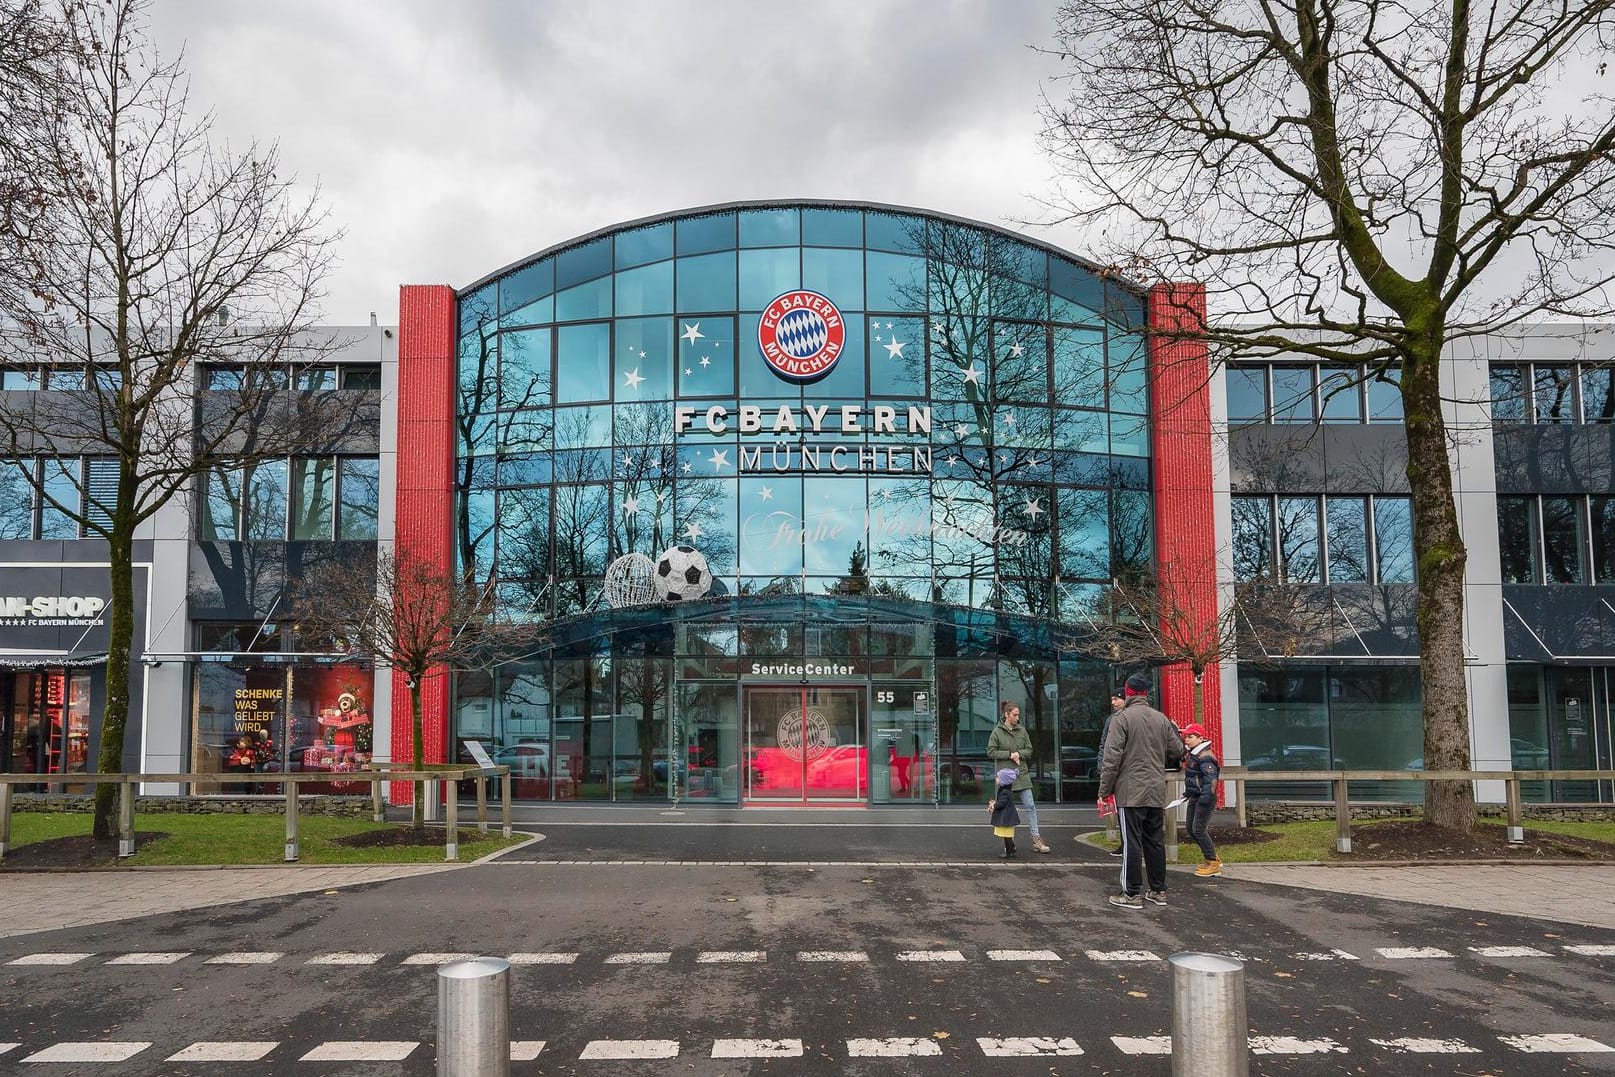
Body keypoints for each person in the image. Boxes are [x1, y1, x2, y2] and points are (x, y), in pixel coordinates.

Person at [1098, 672, 1185, 910]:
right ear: (1146, 693)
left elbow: (1111, 758)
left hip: (1130, 791)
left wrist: (1104, 790)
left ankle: (1131, 893)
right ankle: (1158, 890)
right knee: (1155, 841)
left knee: (1132, 842)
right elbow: (1177, 750)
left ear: (1128, 693)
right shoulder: (1161, 718)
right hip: (1156, 790)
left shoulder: (1122, 719)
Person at [987, 701, 1050, 854]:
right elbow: (990, 751)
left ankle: (1036, 839)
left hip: (1021, 774)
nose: (1017, 718)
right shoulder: (997, 732)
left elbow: (1029, 750)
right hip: (1005, 778)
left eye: (1018, 715)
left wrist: (1019, 754)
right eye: (1014, 715)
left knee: (1030, 806)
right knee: (1004, 809)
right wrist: (1009, 754)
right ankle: (1009, 845)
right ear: (1006, 715)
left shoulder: (1022, 731)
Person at [1181, 723, 1222, 877]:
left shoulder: (1205, 757)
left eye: (1190, 737)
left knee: (1198, 830)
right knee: (1191, 829)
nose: (1186, 740)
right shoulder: (1194, 755)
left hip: (1204, 799)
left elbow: (1211, 781)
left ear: (1200, 738)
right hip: (1195, 796)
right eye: (1186, 736)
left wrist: (1205, 799)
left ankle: (1213, 862)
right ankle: (1210, 857)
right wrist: (1187, 793)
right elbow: (1194, 778)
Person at [1100, 692, 1125, 856]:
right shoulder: (1111, 720)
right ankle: (1125, 843)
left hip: (1126, 773)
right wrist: (1100, 766)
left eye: (1116, 699)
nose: (1113, 702)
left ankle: (1129, 846)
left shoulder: (1126, 719)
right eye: (1111, 699)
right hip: (1115, 772)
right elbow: (1104, 745)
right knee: (1119, 810)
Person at [989, 766, 1022, 858]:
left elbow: (1002, 804)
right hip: (1008, 817)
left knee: (1006, 835)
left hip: (1006, 818)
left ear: (1004, 780)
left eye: (998, 777)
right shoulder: (1006, 791)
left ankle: (1009, 851)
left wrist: (994, 805)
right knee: (1007, 835)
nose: (996, 778)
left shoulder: (1005, 792)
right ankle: (1012, 848)